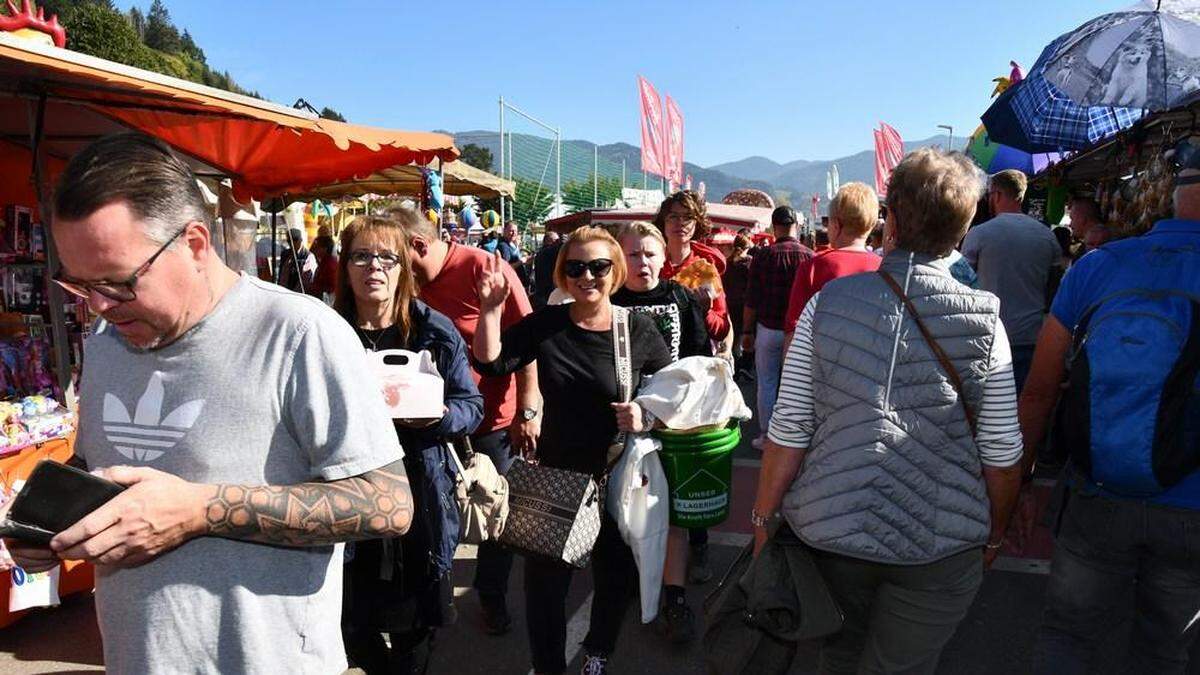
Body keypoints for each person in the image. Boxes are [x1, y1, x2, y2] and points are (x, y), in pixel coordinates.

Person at [3, 133, 413, 673]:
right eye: (80, 285)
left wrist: (200, 510)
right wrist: (46, 521)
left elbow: (387, 503)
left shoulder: (298, 333)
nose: (100, 305)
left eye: (119, 282)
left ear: (195, 243)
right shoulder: (106, 338)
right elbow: (98, 462)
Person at [753, 148, 1024, 674]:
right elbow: (1001, 452)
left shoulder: (828, 303)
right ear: (964, 227)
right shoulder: (986, 321)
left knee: (835, 656)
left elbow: (789, 429)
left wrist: (764, 519)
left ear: (890, 219)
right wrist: (992, 533)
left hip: (830, 531)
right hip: (941, 543)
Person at [1018, 141, 1200, 673]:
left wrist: (1021, 482)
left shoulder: (1098, 266)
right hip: (1191, 504)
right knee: (1164, 649)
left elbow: (1039, 391)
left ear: (1170, 196)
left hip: (1096, 491)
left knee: (1069, 639)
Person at [473, 226, 672, 675]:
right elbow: (492, 361)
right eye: (576, 267)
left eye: (599, 266)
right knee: (544, 593)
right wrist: (489, 309)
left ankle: (598, 655)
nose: (587, 277)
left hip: (616, 480)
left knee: (615, 580)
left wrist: (646, 415)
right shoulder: (549, 324)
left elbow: (673, 394)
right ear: (563, 273)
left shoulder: (634, 330)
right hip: (557, 478)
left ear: (614, 270)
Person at [335, 215, 484, 674]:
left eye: (386, 257)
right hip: (345, 492)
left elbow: (471, 405)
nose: (373, 267)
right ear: (345, 267)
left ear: (404, 268)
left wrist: (439, 418)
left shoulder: (433, 331)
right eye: (361, 255)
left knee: (414, 630)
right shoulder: (326, 331)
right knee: (350, 625)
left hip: (420, 491)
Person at [394, 207, 539, 637]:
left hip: (494, 420)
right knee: (435, 510)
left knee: (494, 514)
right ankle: (431, 597)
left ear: (418, 245)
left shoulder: (485, 267)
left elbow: (526, 341)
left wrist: (530, 407)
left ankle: (491, 595)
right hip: (432, 423)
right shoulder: (408, 285)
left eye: (394, 256)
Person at [611, 222, 712, 643]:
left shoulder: (681, 298)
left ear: (663, 257)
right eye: (632, 254)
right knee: (620, 511)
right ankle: (628, 583)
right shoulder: (608, 301)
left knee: (668, 512)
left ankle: (674, 599)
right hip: (616, 423)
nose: (642, 262)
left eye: (649, 253)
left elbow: (700, 362)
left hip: (672, 423)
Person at [961, 169, 1059, 393]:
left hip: (987, 334)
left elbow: (963, 283)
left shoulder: (979, 234)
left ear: (995, 195)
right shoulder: (1047, 236)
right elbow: (1053, 289)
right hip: (1030, 335)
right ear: (1021, 196)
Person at [742, 205, 813, 450]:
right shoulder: (809, 256)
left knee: (767, 383)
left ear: (774, 226)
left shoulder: (763, 256)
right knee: (798, 384)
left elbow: (751, 298)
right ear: (796, 225)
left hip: (768, 328)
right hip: (799, 331)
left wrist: (747, 331)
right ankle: (795, 437)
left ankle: (767, 435)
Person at [782, 182, 883, 348]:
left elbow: (794, 329)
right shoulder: (884, 267)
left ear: (835, 225)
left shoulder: (813, 267)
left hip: (821, 362)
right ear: (871, 225)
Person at [653, 191, 730, 347]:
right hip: (654, 354)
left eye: (688, 217)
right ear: (664, 222)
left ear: (697, 223)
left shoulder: (705, 270)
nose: (680, 222)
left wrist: (706, 311)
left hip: (692, 358)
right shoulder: (651, 263)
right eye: (673, 216)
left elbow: (722, 329)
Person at [723, 233, 753, 365]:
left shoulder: (727, 261)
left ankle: (732, 358)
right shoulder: (749, 263)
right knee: (743, 333)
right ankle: (741, 362)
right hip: (743, 303)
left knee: (731, 331)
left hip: (729, 302)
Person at [278, 226, 317, 293]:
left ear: (301, 240)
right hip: (283, 292)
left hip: (298, 294)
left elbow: (306, 281)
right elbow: (281, 274)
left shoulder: (308, 256)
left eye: (295, 240)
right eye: (289, 241)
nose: (292, 243)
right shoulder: (285, 254)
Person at [533, 231, 564, 309]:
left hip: (542, 292)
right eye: (556, 240)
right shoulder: (545, 252)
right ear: (549, 241)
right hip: (546, 292)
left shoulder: (541, 253)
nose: (557, 242)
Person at [308, 234, 338, 302]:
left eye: (318, 247)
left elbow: (332, 287)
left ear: (325, 249)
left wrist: (315, 288)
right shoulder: (323, 262)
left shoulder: (330, 264)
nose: (315, 249)